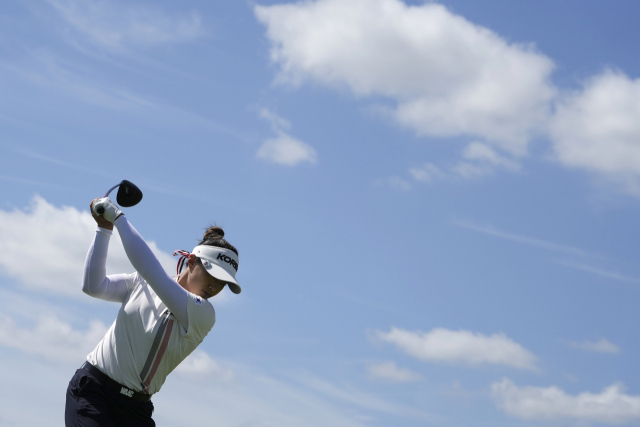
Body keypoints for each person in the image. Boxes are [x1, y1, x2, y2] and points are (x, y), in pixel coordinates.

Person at [65, 197, 241, 426]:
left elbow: (150, 271)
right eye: (212, 275)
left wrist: (118, 218)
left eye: (222, 283)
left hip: (136, 410)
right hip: (93, 392)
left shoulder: (204, 314)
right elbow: (93, 286)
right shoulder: (143, 282)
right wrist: (104, 229)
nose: (214, 287)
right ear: (191, 262)